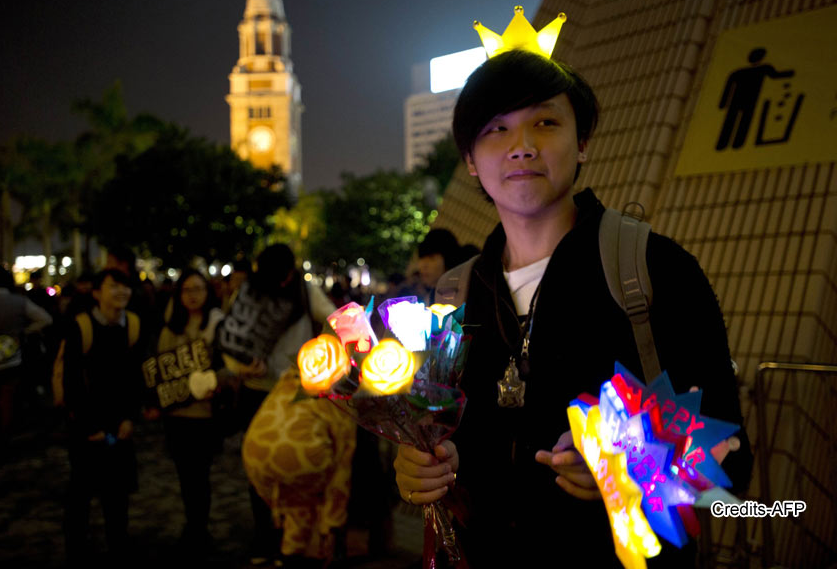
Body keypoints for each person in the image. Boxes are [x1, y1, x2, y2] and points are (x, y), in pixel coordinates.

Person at [393, 49, 753, 567]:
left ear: (581, 143)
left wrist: (636, 464)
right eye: (496, 129)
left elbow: (732, 460)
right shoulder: (454, 296)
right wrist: (417, 470)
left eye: (544, 122)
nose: (521, 147)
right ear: (470, 159)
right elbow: (433, 436)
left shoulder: (652, 270)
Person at [217, 244, 353, 566]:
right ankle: (267, 537)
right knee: (262, 472)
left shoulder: (304, 291)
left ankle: (293, 544)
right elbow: (232, 338)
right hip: (259, 388)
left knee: (298, 469)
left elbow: (332, 318)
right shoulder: (249, 293)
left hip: (295, 391)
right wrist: (240, 369)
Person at [62, 269, 145, 565]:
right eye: (114, 287)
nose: (121, 292)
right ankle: (77, 549)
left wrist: (130, 418)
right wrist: (88, 426)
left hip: (120, 423)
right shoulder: (81, 326)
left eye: (125, 287)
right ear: (96, 293)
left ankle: (118, 547)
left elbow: (136, 378)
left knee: (117, 493)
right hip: (86, 426)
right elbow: (71, 381)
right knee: (81, 492)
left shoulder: (133, 324)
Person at [153, 268, 224, 555]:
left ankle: (198, 527)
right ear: (179, 294)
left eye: (198, 289)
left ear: (207, 293)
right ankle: (193, 526)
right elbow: (159, 368)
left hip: (205, 414)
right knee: (185, 474)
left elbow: (226, 365)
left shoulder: (218, 324)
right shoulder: (170, 326)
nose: (193, 296)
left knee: (201, 474)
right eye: (187, 290)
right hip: (177, 416)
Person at [0, 266, 52, 470]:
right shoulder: (19, 302)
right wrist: (24, 332)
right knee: (7, 403)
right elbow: (45, 319)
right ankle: (4, 440)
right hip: (11, 362)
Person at [415, 228, 460, 304]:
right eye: (422, 258)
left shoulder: (458, 299)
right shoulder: (428, 297)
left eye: (431, 258)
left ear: (448, 260)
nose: (423, 265)